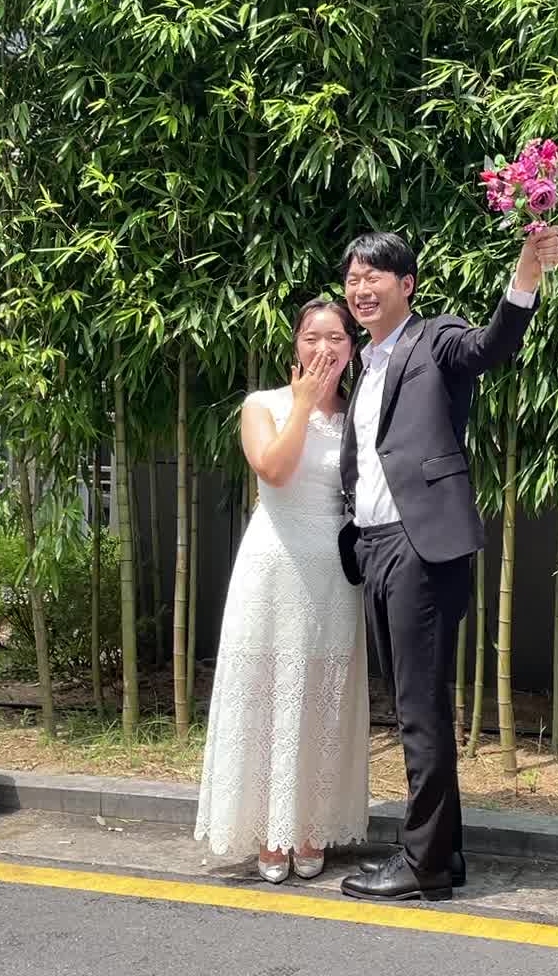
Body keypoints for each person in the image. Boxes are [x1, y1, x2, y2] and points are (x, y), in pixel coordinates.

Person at [336, 228, 558, 902]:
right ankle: (446, 853)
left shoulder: (435, 339)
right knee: (417, 703)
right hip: (376, 546)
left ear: (406, 285)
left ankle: (423, 864)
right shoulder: (364, 364)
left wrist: (527, 269)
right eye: (352, 278)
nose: (360, 289)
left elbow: (492, 345)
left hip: (420, 545)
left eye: (374, 276)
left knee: (419, 711)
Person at [194, 298, 368, 884]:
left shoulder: (360, 413)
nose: (324, 348)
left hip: (333, 571)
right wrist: (301, 405)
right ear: (295, 344)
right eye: (312, 337)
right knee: (267, 694)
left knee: (322, 696)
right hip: (273, 562)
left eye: (336, 337)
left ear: (352, 347)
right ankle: (271, 831)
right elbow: (273, 469)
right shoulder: (262, 405)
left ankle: (312, 827)